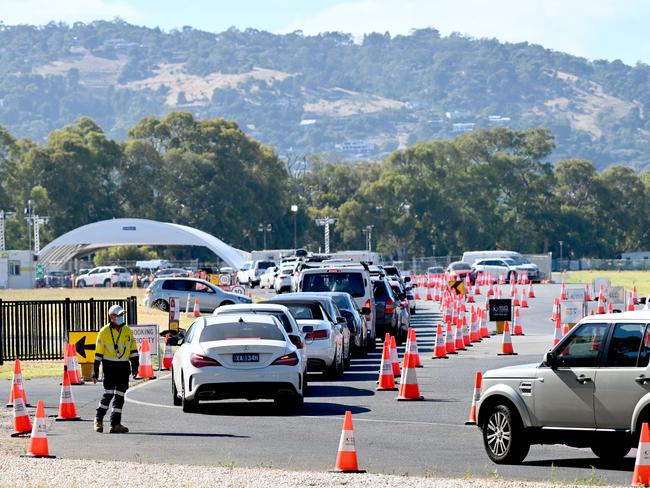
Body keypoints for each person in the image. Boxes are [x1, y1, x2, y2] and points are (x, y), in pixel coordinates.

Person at [92, 305, 139, 433]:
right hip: (109, 367)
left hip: (123, 367)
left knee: (120, 395)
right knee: (108, 393)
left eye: (122, 315)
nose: (121, 317)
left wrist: (135, 366)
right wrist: (95, 371)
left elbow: (133, 350)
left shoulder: (127, 331)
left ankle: (115, 424)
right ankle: (98, 418)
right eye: (118, 315)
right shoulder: (104, 332)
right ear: (111, 317)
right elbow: (98, 354)